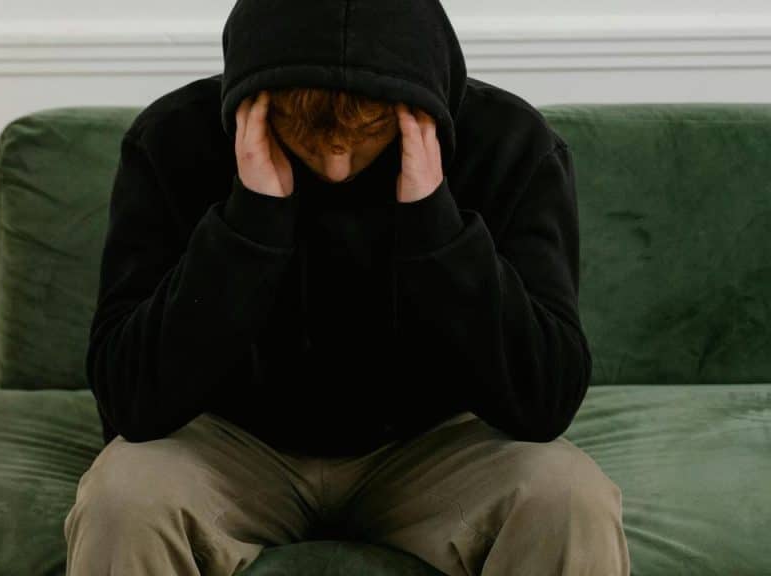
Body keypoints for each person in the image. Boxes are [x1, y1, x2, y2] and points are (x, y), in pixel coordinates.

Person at [64, 0, 631, 574]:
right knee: (122, 498)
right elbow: (127, 401)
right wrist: (250, 225)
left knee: (568, 497)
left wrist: (436, 224)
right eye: (307, 136)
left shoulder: (511, 145)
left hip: (436, 446)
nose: (336, 166)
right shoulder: (170, 141)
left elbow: (546, 401)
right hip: (226, 445)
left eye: (368, 133)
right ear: (254, 105)